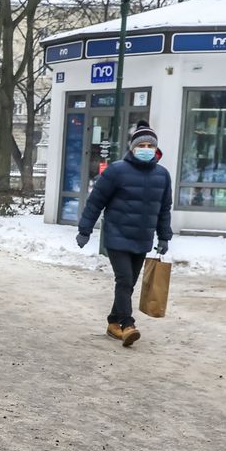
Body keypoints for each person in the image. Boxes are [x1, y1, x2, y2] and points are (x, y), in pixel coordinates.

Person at [76, 124, 172, 347]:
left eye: (150, 145)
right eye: (142, 145)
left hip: (142, 238)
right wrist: (85, 230)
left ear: (156, 149)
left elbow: (164, 208)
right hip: (117, 234)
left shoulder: (162, 175)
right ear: (132, 147)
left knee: (129, 284)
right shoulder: (116, 171)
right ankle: (128, 324)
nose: (146, 149)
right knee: (124, 279)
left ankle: (112, 322)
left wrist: (164, 237)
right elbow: (96, 201)